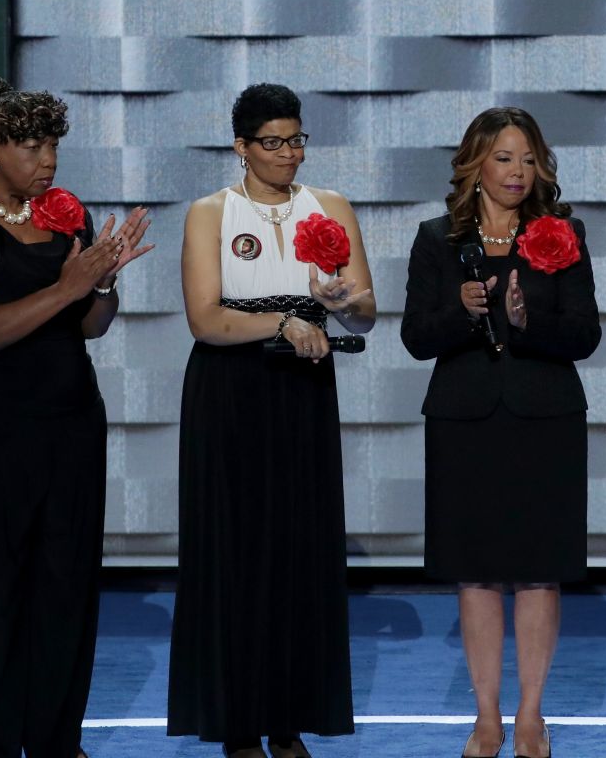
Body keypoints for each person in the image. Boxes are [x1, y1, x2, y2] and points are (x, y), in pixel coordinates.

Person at [0, 76, 152, 758]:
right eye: (31, 145)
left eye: (52, 144)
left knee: (66, 581)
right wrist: (67, 287)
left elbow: (92, 326)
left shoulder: (63, 210)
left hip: (68, 416)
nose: (47, 160)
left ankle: (55, 739)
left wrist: (100, 284)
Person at [168, 83, 376, 758]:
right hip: (231, 391)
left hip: (303, 392)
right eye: (273, 142)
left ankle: (288, 717)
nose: (289, 154)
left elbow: (366, 314)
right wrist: (284, 321)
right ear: (242, 147)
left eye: (296, 140)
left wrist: (343, 301)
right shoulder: (211, 214)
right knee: (235, 553)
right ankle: (237, 722)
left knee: (299, 552)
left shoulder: (333, 208)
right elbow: (206, 318)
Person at [400, 107, 600, 758]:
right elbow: (415, 338)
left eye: (528, 158)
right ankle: (485, 717)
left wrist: (525, 321)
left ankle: (530, 717)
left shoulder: (561, 236)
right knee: (477, 575)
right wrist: (461, 313)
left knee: (541, 574)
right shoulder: (437, 239)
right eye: (504, 158)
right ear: (475, 166)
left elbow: (585, 335)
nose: (518, 171)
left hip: (544, 420)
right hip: (465, 420)